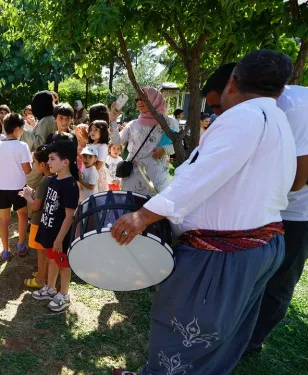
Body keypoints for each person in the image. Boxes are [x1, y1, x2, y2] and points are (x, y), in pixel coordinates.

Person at [111, 50, 296, 375]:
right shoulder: (278, 117)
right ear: (280, 90)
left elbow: (201, 175)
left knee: (182, 330)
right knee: (217, 337)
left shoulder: (243, 117)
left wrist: (143, 216)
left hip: (223, 254)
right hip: (262, 245)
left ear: (233, 82)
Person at [250, 85, 308, 353]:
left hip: (298, 213)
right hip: (269, 204)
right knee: (253, 271)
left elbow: (297, 181)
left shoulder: (294, 108)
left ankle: (252, 340)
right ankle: (241, 328)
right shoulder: (259, 106)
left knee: (281, 279)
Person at [29, 141, 79, 312]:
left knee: (64, 265)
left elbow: (69, 216)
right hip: (50, 231)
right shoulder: (53, 180)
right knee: (52, 260)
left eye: (52, 159)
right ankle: (50, 288)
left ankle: (64, 295)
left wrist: (59, 239)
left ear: (65, 162)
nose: (48, 162)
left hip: (61, 237)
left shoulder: (70, 186)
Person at [109, 87, 178, 195]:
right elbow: (117, 141)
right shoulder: (133, 124)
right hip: (132, 178)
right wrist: (113, 120)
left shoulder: (169, 122)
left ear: (154, 99)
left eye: (143, 98)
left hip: (156, 180)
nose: (139, 102)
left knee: (154, 209)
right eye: (137, 99)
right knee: (132, 208)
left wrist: (164, 150)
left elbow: (176, 146)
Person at [0, 113, 33, 260]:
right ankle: (21, 245)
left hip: (2, 188)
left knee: (4, 220)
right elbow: (27, 170)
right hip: (19, 187)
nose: (22, 132)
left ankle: (5, 251)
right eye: (22, 129)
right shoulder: (22, 146)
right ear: (17, 129)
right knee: (22, 215)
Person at [20, 145, 52, 289]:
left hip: (39, 221)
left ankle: (40, 279)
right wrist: (34, 193)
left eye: (34, 162)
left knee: (41, 252)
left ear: (43, 165)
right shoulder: (54, 178)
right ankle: (43, 274)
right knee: (45, 251)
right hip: (48, 221)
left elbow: (35, 206)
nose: (33, 165)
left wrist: (27, 196)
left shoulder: (45, 181)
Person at [86, 120, 111, 192]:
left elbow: (98, 165)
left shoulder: (102, 146)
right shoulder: (90, 144)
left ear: (103, 131)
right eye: (91, 130)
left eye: (96, 130)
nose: (92, 132)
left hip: (96, 175)